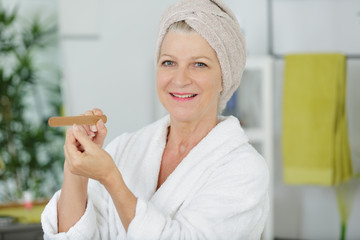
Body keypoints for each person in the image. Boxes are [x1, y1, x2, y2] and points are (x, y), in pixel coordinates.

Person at [41, 0, 269, 239]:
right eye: (169, 62)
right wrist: (76, 169)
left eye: (199, 64)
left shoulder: (244, 170)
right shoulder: (126, 148)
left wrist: (111, 179)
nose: (180, 79)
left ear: (225, 76)